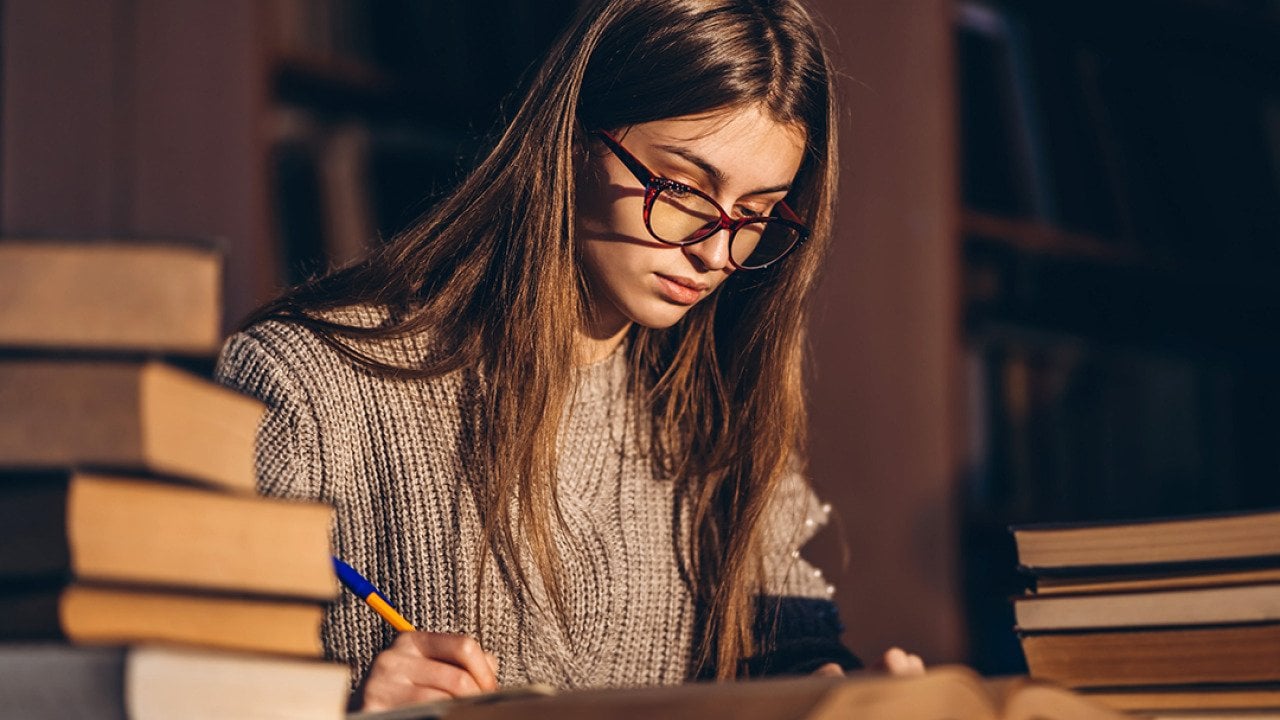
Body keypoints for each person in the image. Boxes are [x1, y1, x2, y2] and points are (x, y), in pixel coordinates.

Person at [215, 0, 923, 711]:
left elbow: (788, 649)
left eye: (757, 213)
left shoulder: (721, 406)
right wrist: (345, 703)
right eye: (681, 189)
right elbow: (189, 685)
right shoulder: (305, 383)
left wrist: (839, 694)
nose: (715, 252)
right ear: (575, 138)